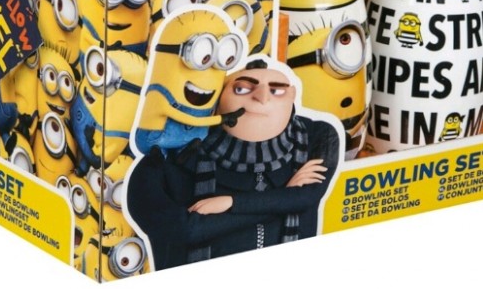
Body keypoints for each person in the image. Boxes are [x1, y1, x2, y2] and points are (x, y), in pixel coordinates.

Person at [126, 59, 341, 267]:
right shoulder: (164, 162)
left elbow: (307, 196)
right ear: (218, 97)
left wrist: (230, 203)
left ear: (292, 95)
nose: (262, 97)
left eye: (276, 91)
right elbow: (185, 230)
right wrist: (284, 199)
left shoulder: (317, 136)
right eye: (242, 89)